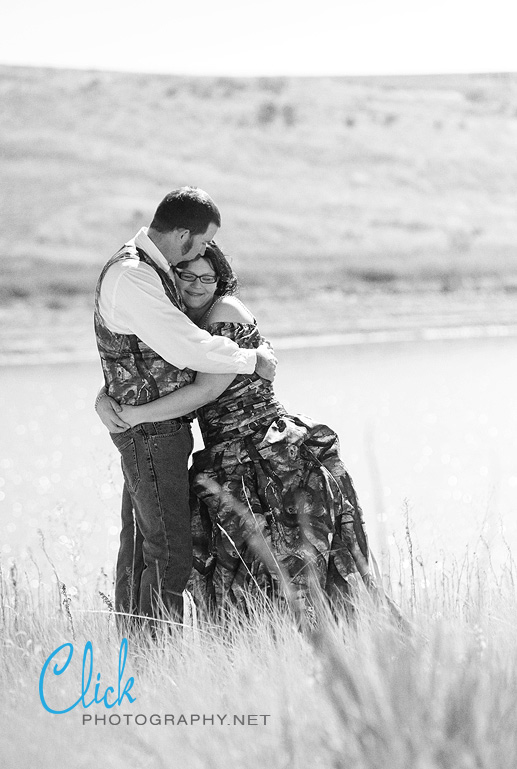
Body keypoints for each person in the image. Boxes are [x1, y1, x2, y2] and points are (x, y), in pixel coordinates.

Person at [97, 242, 376, 623]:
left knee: (283, 564)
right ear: (172, 276)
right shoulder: (179, 325)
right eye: (187, 275)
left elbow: (206, 390)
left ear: (220, 280)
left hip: (263, 452)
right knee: (243, 571)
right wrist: (103, 397)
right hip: (227, 454)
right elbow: (149, 370)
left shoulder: (224, 313)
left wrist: (133, 415)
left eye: (208, 278)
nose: (198, 285)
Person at [94, 187, 277, 627]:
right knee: (167, 549)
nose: (205, 250)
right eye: (203, 240)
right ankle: (154, 652)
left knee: (143, 543)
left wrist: (108, 396)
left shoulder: (154, 273)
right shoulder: (135, 275)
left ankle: (136, 648)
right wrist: (254, 359)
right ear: (182, 234)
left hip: (159, 429)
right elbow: (184, 347)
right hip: (150, 433)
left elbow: (136, 351)